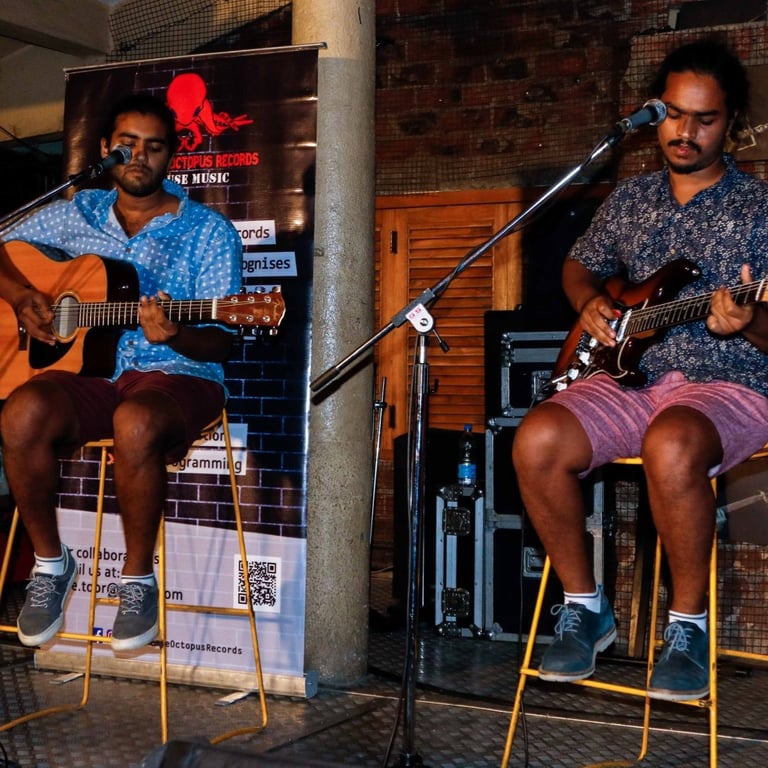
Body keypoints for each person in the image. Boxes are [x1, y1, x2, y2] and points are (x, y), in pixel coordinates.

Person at [512, 38, 768, 702]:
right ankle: (585, 606)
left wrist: (750, 320)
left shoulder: (758, 208)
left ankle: (688, 628)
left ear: (731, 122)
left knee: (673, 442)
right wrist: (590, 302)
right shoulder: (632, 198)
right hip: (630, 378)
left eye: (704, 118)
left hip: (731, 382)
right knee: (537, 439)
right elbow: (580, 263)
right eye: (673, 114)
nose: (684, 131)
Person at [0, 93, 242, 651]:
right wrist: (19, 297)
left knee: (135, 420)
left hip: (176, 374)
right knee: (23, 411)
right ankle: (51, 565)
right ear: (106, 151)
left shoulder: (207, 232)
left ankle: (137, 582)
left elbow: (222, 343)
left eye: (154, 148)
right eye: (127, 146)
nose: (139, 158)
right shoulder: (73, 213)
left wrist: (176, 332)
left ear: (171, 159)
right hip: (89, 375)